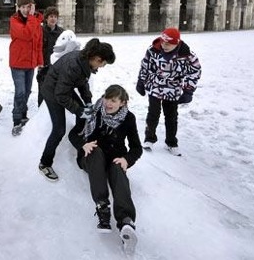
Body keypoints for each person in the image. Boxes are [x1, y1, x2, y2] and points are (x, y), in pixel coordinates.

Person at [68, 84, 141, 255]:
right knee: (96, 151)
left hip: (114, 158)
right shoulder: (91, 110)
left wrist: (126, 160)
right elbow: (73, 134)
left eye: (113, 101)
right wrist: (83, 144)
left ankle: (126, 222)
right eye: (107, 98)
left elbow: (137, 148)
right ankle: (102, 208)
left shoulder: (128, 118)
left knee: (117, 168)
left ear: (123, 103)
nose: (108, 103)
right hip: (91, 156)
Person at [39, 38, 116, 181]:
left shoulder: (85, 61)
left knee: (83, 114)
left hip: (62, 87)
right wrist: (79, 110)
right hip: (52, 90)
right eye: (103, 64)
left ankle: (79, 140)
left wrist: (87, 102)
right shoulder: (73, 65)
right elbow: (60, 95)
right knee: (59, 130)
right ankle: (45, 163)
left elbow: (82, 82)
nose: (101, 67)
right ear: (98, 59)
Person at [135, 27, 202, 156]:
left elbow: (195, 71)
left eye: (168, 43)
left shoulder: (187, 55)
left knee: (171, 116)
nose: (164, 45)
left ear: (176, 43)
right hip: (155, 85)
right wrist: (141, 81)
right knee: (153, 113)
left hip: (173, 87)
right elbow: (145, 66)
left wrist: (188, 90)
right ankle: (149, 138)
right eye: (163, 42)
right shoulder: (153, 50)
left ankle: (171, 142)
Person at [9, 0, 44, 136]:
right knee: (20, 92)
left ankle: (23, 115)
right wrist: (31, 17)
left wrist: (40, 61)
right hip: (17, 63)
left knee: (27, 91)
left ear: (32, 6)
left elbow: (39, 43)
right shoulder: (14, 21)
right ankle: (16, 120)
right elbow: (27, 34)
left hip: (30, 63)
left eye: (27, 7)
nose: (25, 10)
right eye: (22, 7)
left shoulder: (35, 21)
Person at [36, 6, 63, 106]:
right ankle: (41, 112)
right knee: (42, 91)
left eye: (55, 16)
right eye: (51, 16)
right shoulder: (40, 31)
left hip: (57, 66)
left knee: (56, 90)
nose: (53, 19)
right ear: (46, 18)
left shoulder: (61, 32)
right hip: (43, 65)